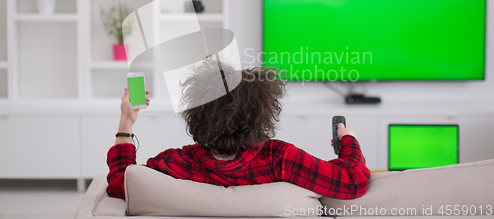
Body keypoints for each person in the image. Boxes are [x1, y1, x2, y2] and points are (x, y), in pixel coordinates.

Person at [106, 61, 370, 200]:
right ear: (262, 114)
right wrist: (349, 140)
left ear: (197, 113)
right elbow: (354, 181)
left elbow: (120, 184)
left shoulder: (174, 163)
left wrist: (126, 121)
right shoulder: (281, 159)